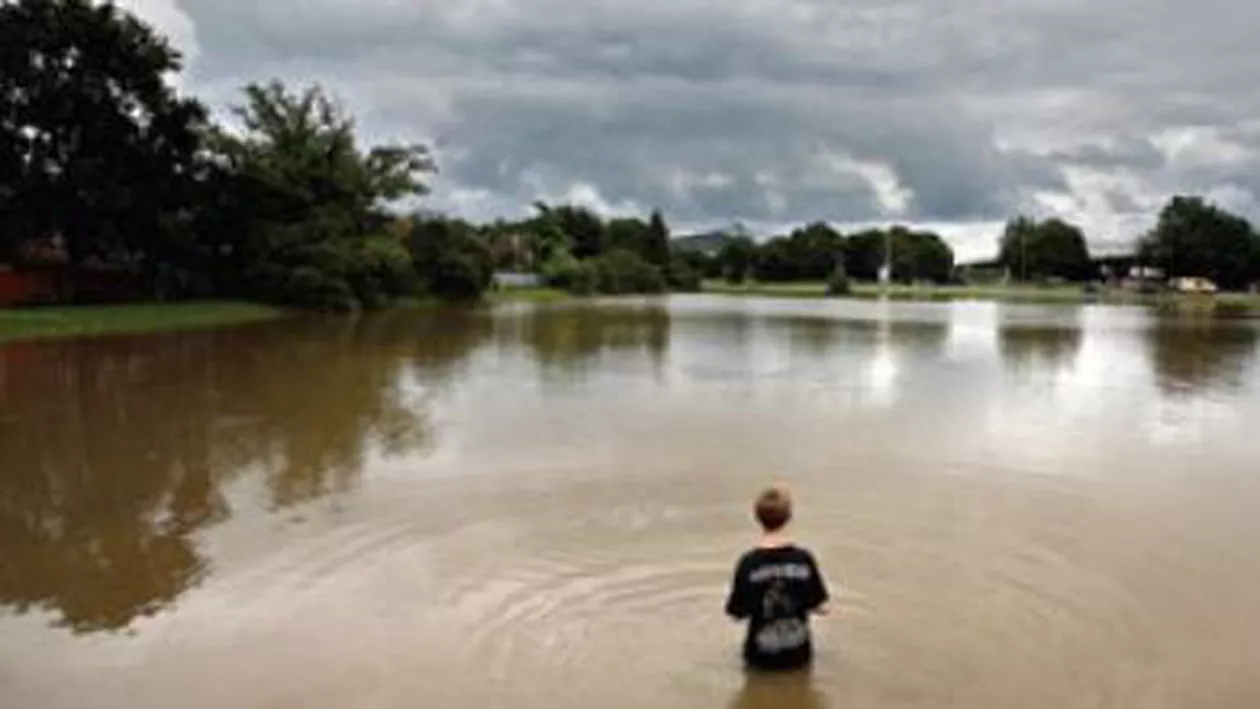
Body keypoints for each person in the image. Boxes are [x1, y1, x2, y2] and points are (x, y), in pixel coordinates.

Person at [724, 484, 831, 671]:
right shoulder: (803, 559)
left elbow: (736, 613)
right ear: (789, 517)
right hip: (798, 655)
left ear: (757, 518)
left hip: (760, 656)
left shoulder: (748, 563)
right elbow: (819, 606)